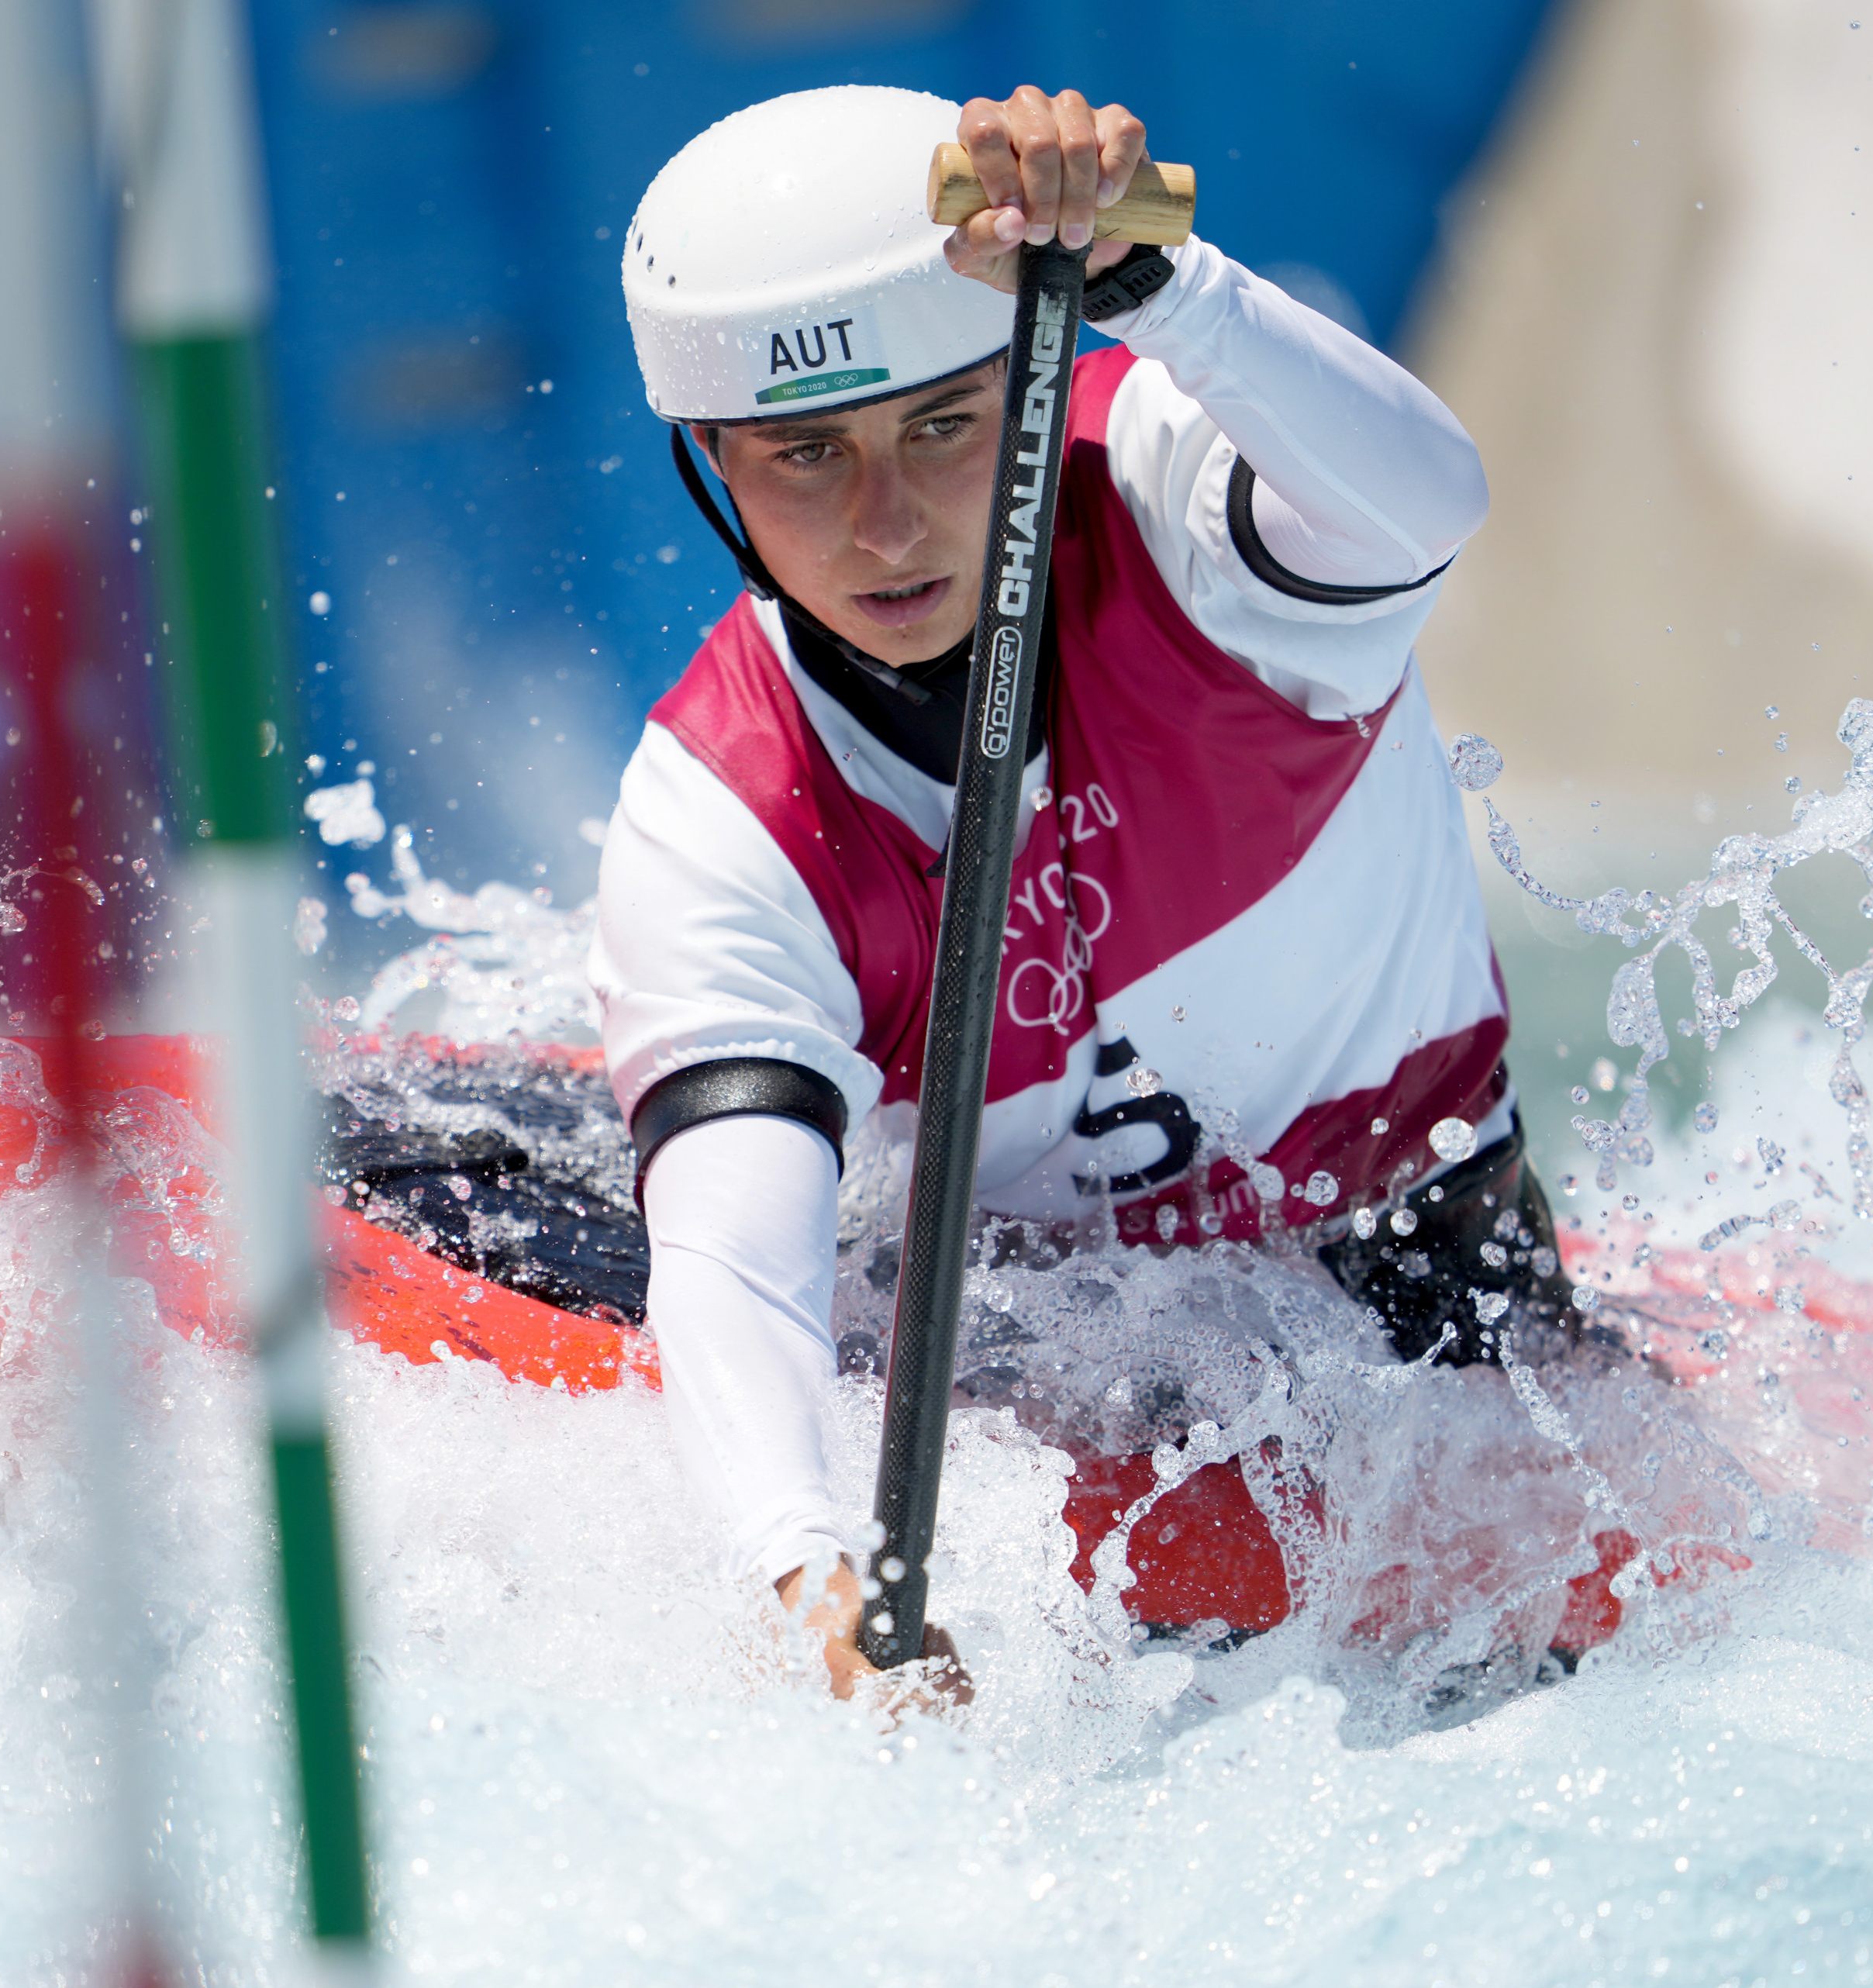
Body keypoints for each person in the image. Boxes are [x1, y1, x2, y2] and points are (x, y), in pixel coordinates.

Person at [589, 83, 1585, 1700]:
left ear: (1024, 379)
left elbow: (1428, 499)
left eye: (940, 423)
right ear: (708, 464)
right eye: (803, 456)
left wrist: (1163, 284)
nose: (884, 519)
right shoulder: (716, 814)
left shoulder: (1186, 508)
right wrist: (807, 1569)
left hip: (1417, 1307)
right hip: (1044, 1364)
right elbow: (730, 1264)